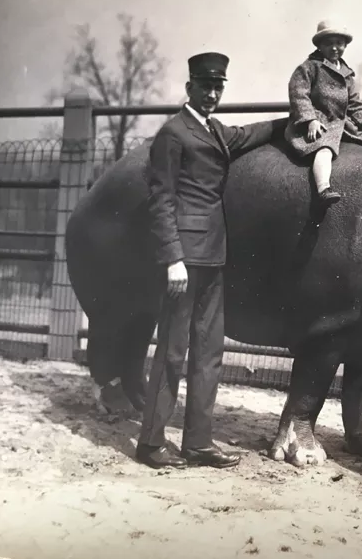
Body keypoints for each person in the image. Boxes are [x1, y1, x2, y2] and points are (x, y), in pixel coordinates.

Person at [138, 51, 281, 470]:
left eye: (219, 87)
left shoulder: (215, 131)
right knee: (172, 351)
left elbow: (251, 133)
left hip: (214, 256)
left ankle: (198, 443)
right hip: (184, 260)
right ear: (189, 88)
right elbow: (160, 199)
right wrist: (172, 258)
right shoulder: (173, 134)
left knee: (209, 353)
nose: (213, 94)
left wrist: (295, 119)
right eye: (205, 87)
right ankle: (149, 443)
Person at [284, 21, 362, 205]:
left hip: (341, 122)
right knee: (324, 148)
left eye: (339, 43)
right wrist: (310, 120)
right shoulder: (309, 67)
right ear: (319, 45)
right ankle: (323, 188)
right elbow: (299, 94)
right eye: (328, 43)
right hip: (319, 121)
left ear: (345, 45)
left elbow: (354, 102)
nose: (334, 48)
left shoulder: (346, 74)